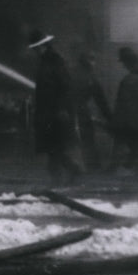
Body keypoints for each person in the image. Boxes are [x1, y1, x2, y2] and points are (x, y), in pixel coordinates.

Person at [29, 29, 81, 184]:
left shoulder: (55, 61)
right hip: (50, 113)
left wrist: (61, 108)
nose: (34, 51)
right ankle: (72, 172)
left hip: (55, 113)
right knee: (53, 149)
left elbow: (65, 86)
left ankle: (62, 178)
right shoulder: (48, 61)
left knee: (54, 149)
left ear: (43, 46)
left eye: (36, 48)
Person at [69, 51, 111, 172]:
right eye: (92, 60)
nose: (94, 63)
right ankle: (92, 167)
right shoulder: (90, 77)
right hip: (80, 109)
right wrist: (109, 117)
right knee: (87, 138)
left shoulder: (71, 73)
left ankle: (74, 166)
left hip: (68, 109)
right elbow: (100, 100)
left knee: (73, 139)